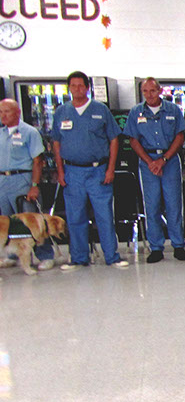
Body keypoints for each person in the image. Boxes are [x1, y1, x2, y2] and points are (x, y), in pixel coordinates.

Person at [51, 71, 129, 270]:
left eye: (81, 85)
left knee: (104, 215)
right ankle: (78, 257)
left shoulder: (100, 110)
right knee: (75, 216)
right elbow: (56, 143)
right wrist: (60, 171)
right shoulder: (62, 112)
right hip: (72, 172)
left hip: (98, 171)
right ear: (69, 88)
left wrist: (110, 169)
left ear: (87, 87)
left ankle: (112, 256)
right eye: (73, 86)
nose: (77, 89)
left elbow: (114, 139)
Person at [125, 77, 185, 262]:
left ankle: (178, 245)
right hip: (147, 163)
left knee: (174, 205)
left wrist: (163, 160)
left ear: (160, 91)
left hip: (169, 161)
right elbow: (133, 140)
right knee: (151, 205)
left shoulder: (173, 110)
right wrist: (150, 161)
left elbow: (180, 136)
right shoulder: (136, 112)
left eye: (152, 91)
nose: (149, 94)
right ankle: (156, 247)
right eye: (145, 91)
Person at [0, 98, 54, 268]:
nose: (3, 115)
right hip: (3, 181)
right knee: (8, 221)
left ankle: (45, 255)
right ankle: (13, 254)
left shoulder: (30, 132)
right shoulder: (1, 133)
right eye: (1, 112)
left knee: (32, 221)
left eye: (7, 111)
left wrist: (34, 185)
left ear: (17, 112)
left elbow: (37, 161)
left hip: (22, 179)